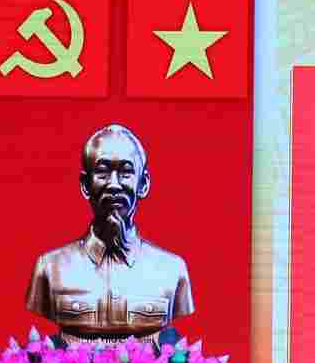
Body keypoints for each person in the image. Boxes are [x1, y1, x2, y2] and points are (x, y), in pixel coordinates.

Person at [26, 124, 195, 343]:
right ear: (85, 185)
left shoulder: (172, 269)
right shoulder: (50, 267)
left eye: (125, 172)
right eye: (102, 172)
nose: (113, 185)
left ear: (143, 184)